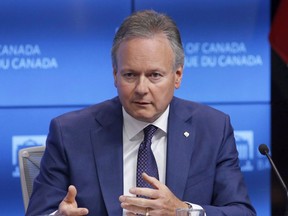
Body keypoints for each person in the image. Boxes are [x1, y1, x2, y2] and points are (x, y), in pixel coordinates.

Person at [26, 10, 256, 216]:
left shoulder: (213, 129)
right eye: (130, 75)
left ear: (177, 76)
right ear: (115, 75)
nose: (141, 89)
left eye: (155, 75)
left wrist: (183, 213)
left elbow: (241, 211)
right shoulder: (70, 133)